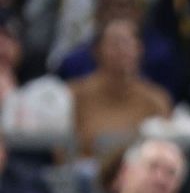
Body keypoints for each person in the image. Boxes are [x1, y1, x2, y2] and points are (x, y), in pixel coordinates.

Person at [67, 16, 170, 158]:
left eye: (128, 43)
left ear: (139, 49)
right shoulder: (75, 94)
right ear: (97, 51)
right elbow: (62, 151)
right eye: (115, 43)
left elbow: (164, 151)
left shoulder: (156, 100)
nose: (122, 50)